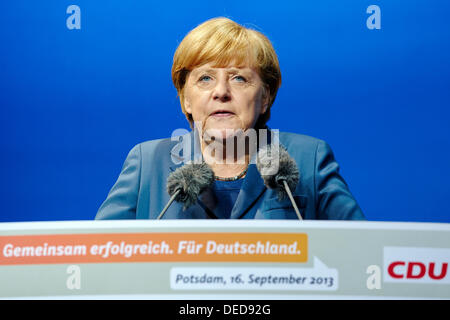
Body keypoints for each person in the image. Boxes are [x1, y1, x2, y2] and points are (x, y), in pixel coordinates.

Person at [95, 17, 365, 220]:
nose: (221, 92)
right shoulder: (148, 162)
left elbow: (360, 252)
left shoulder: (308, 158)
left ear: (266, 96)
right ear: (185, 99)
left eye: (239, 78)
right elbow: (99, 255)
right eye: (205, 78)